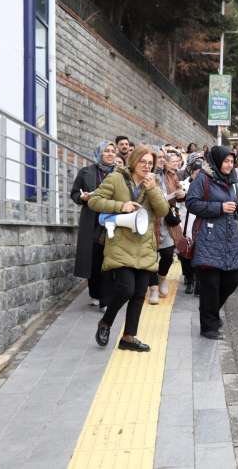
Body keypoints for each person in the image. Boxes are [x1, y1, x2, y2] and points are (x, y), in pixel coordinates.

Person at [89, 145, 170, 352]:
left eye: (150, 163)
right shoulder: (116, 178)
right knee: (126, 288)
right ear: (133, 161)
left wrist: (152, 189)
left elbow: (163, 211)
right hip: (120, 243)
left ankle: (128, 337)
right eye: (143, 161)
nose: (146, 166)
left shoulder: (153, 183)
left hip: (145, 245)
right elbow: (94, 201)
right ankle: (106, 322)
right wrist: (120, 206)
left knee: (139, 293)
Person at [185, 146, 238, 339]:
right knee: (210, 285)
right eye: (226, 161)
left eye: (231, 162)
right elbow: (191, 203)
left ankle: (210, 312)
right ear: (217, 161)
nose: (229, 165)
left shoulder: (232, 180)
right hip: (209, 237)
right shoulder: (203, 178)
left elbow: (232, 208)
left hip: (229, 239)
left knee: (234, 277)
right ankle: (209, 327)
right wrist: (219, 207)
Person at [71, 140, 118, 308]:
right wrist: (82, 197)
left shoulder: (120, 174)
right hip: (92, 221)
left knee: (111, 258)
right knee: (95, 259)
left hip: (113, 220)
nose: (110, 153)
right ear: (99, 153)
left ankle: (107, 297)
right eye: (106, 150)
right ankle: (96, 293)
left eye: (113, 151)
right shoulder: (86, 172)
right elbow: (74, 194)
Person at [151, 149, 185, 303]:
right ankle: (153, 288)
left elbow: (178, 190)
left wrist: (181, 194)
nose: (161, 160)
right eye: (158, 157)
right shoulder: (145, 175)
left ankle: (162, 277)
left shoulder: (170, 174)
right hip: (150, 221)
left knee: (168, 254)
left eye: (163, 157)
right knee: (151, 257)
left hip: (167, 221)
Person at [178, 153, 204, 295]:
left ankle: (197, 281)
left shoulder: (207, 187)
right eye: (196, 173)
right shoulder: (183, 185)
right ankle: (189, 278)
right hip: (185, 223)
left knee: (198, 253)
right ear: (191, 172)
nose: (199, 176)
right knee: (185, 252)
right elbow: (178, 200)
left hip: (200, 224)